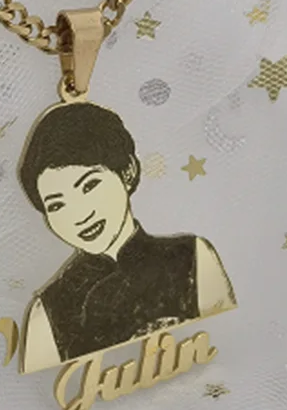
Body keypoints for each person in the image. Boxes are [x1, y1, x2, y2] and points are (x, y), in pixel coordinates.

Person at [17, 101, 236, 374]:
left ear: (128, 171)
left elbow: (231, 346)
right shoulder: (48, 311)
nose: (80, 215)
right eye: (57, 205)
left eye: (89, 185)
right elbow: (40, 392)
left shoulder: (191, 257)